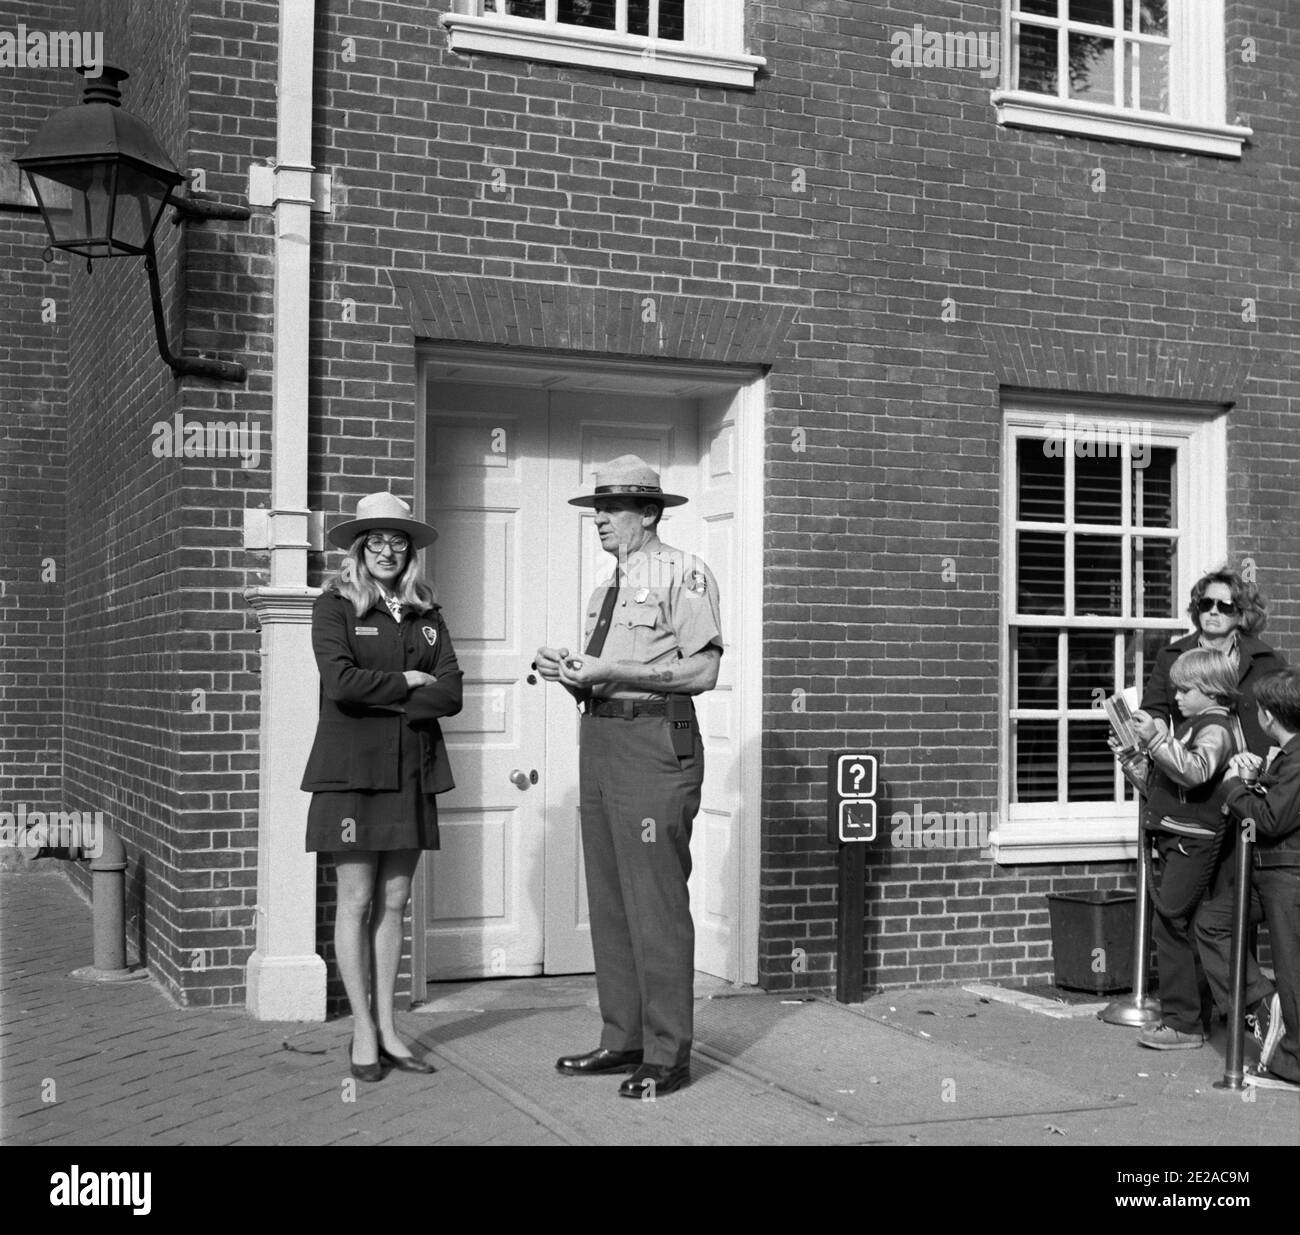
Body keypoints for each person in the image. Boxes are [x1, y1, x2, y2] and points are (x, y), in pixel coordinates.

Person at [535, 455, 722, 1099]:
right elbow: (603, 679)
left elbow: (702, 673)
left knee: (657, 901)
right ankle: (625, 1038)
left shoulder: (685, 573)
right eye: (596, 511)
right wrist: (571, 673)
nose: (600, 522)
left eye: (612, 511)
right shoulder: (604, 590)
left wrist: (615, 674)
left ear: (649, 513)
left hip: (653, 744)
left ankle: (668, 1053)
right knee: (610, 900)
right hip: (602, 737)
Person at [301, 491, 463, 1081]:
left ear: (410, 550)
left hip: (411, 771)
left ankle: (391, 1028)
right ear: (359, 548)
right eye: (377, 540)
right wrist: (406, 680)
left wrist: (392, 690)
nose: (388, 550)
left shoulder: (427, 612)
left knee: (395, 901)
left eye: (399, 541)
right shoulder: (335, 606)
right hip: (351, 774)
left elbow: (451, 693)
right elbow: (341, 683)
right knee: (358, 899)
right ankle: (362, 1030)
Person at [1115, 649, 1245, 1049]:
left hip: (1193, 841)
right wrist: (1136, 759)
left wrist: (1154, 740)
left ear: (1209, 690)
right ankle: (1191, 1016)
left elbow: (1195, 772)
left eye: (1185, 689)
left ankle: (1183, 1023)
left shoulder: (1215, 728)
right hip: (1184, 836)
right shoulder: (1197, 725)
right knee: (1182, 928)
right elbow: (1170, 787)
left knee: (1170, 927)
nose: (1176, 697)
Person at [1219, 668, 1300, 1090]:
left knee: (1293, 969)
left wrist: (1234, 788)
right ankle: (1265, 1007)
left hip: (1287, 876)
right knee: (1214, 923)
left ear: (1269, 715)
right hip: (1272, 873)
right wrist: (1260, 777)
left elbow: (1268, 821)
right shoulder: (1288, 756)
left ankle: (1294, 1060)